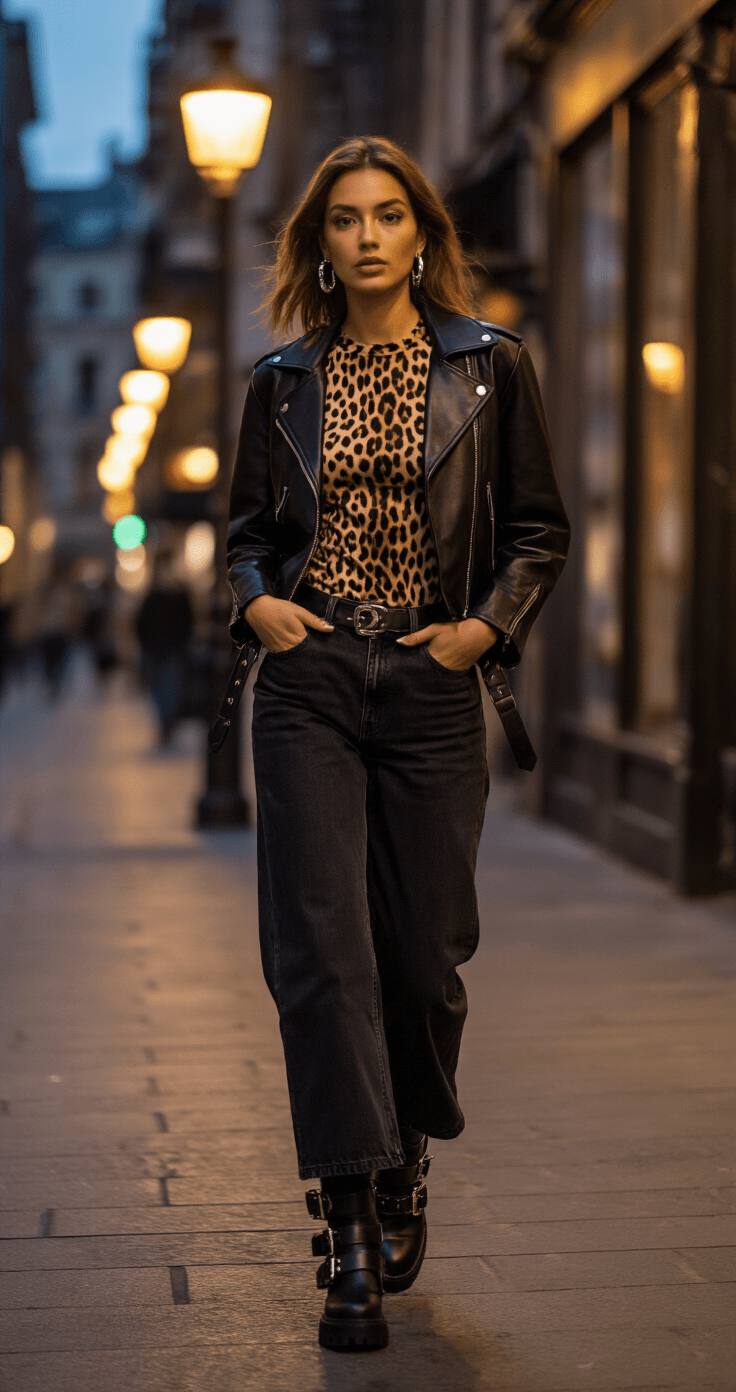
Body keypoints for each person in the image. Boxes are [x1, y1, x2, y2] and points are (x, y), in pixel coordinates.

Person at [227, 136, 569, 1352]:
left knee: (424, 956)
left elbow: (539, 530)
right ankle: (351, 1225)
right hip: (311, 677)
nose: (366, 236)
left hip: (429, 680)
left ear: (421, 235)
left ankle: (405, 1142)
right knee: (322, 954)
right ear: (318, 246)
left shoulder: (490, 366)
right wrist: (258, 599)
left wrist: (482, 631)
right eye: (342, 221)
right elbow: (248, 533)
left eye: (386, 217)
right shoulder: (281, 381)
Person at [135, 554, 193, 746]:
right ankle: (165, 723)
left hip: (172, 648)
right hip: (155, 648)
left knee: (170, 688)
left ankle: (167, 725)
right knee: (159, 689)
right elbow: (140, 622)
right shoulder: (153, 594)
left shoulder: (179, 593)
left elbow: (188, 623)